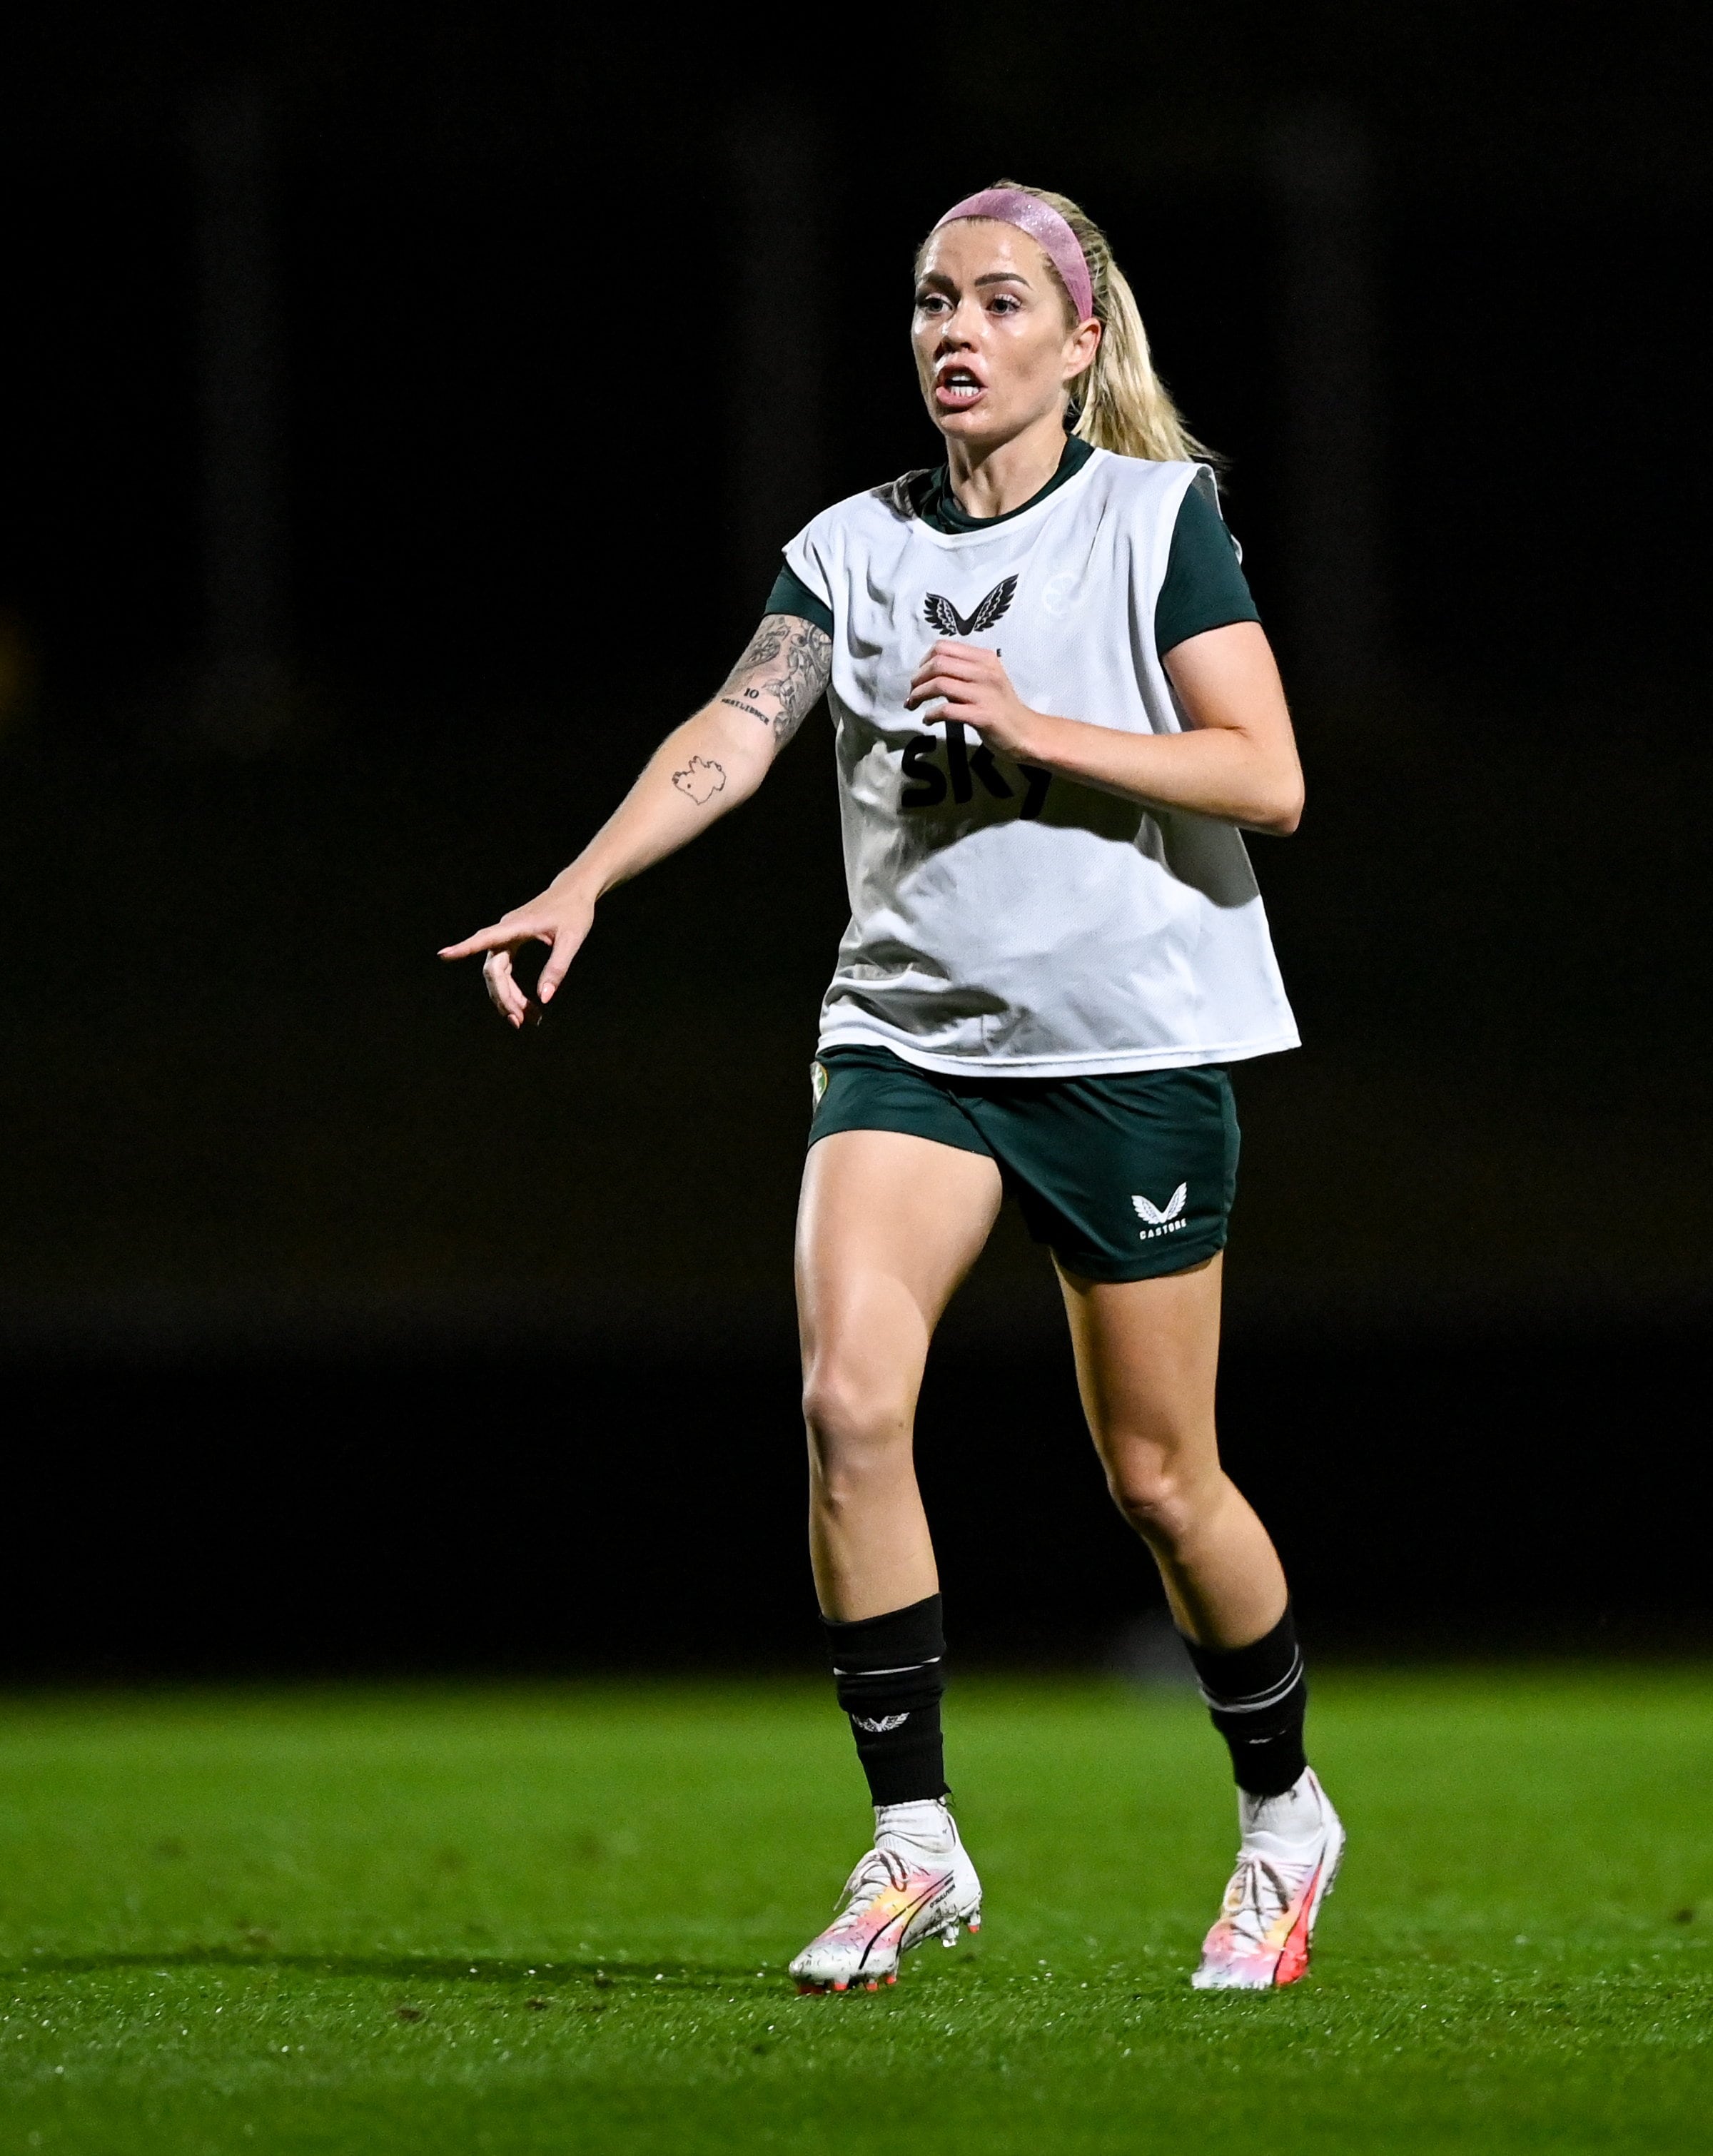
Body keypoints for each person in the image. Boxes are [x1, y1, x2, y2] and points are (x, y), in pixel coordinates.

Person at [440, 181, 1342, 1995]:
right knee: (850, 1398)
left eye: (1003, 301)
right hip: (910, 1047)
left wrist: (1034, 725)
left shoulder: (1158, 522)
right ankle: (913, 1841)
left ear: (1080, 343)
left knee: (1164, 1482)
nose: (956, 329)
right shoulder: (850, 547)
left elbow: (1268, 776)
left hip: (1129, 1054)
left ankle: (1283, 1812)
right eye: (933, 298)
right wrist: (582, 879)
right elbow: (735, 728)